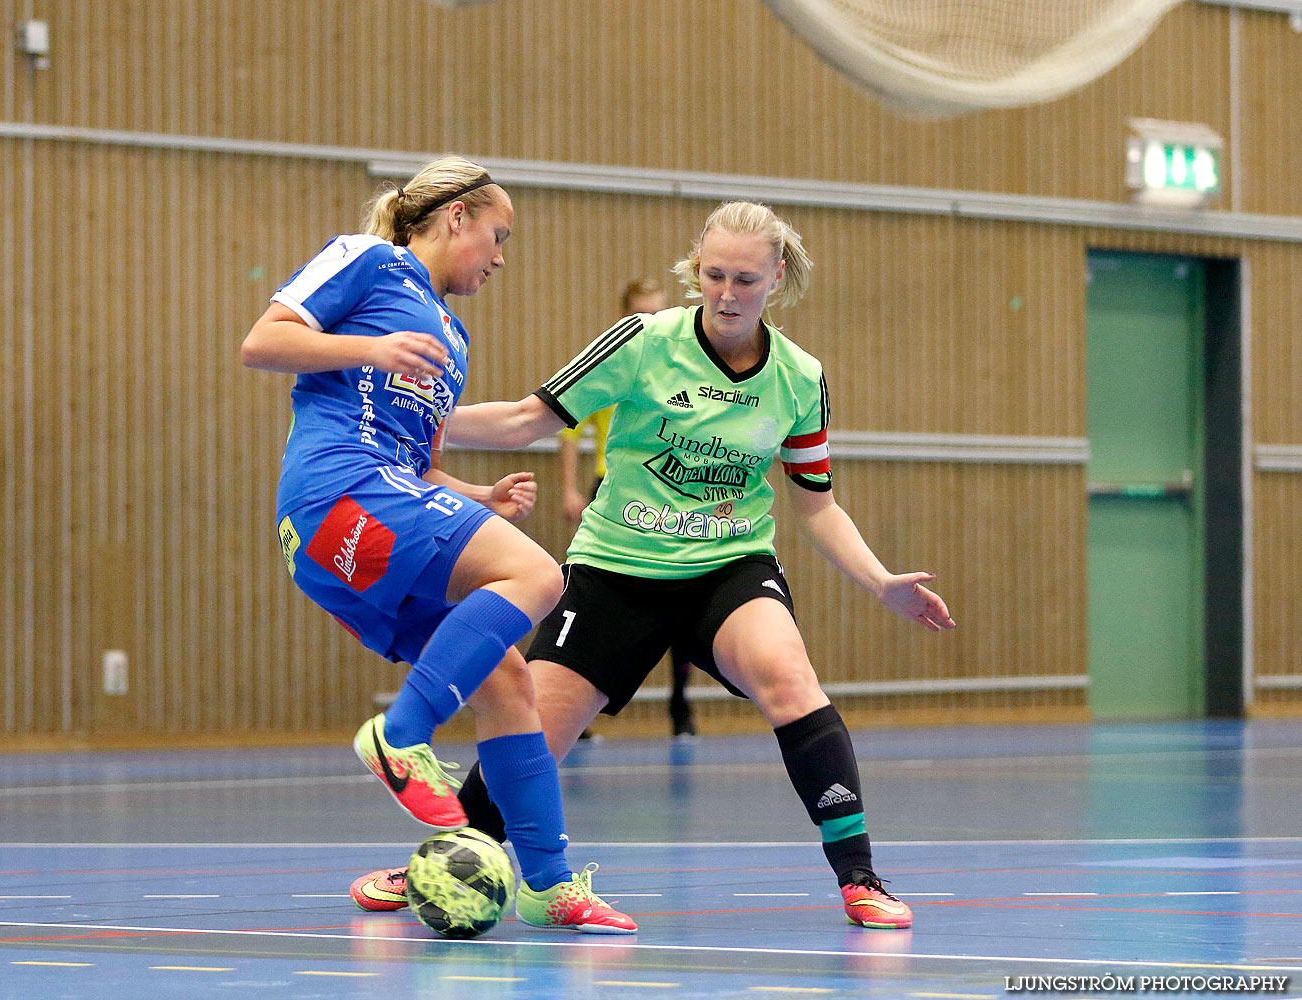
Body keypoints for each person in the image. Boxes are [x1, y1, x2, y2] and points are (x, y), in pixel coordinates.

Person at [349, 201, 955, 930]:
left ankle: (859, 876)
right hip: (615, 571)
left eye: (745, 279)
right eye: (713, 275)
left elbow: (816, 504)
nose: (727, 294)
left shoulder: (799, 378)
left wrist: (881, 581)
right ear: (696, 269)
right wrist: (410, 419)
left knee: (789, 678)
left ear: (778, 277)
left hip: (727, 569)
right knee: (533, 732)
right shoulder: (642, 342)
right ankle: (452, 856)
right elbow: (525, 419)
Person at [241, 155, 634, 933]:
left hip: (371, 513)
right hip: (336, 492)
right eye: (496, 234)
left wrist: (477, 497)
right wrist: (369, 350)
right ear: (455, 216)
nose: (499, 257)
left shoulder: (451, 336)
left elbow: (414, 468)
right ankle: (401, 733)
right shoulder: (371, 260)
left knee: (509, 680)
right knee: (538, 575)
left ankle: (551, 886)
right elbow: (263, 341)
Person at [560, 278, 697, 740]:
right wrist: (570, 489)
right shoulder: (611, 363)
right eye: (643, 313)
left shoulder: (679, 367)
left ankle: (681, 705)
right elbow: (568, 428)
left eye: (659, 312)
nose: (651, 322)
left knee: (682, 593)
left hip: (667, 495)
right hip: (612, 488)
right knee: (596, 598)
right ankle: (576, 712)